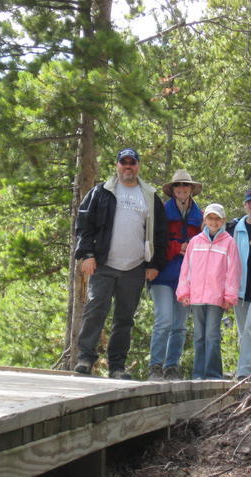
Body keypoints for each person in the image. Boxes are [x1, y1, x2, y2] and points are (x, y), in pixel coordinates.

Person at [73, 148, 168, 380]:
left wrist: (154, 263)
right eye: (123, 162)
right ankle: (85, 358)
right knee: (95, 309)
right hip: (104, 263)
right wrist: (86, 255)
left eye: (132, 162)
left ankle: (117, 367)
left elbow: (160, 233)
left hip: (135, 267)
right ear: (117, 165)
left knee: (124, 318)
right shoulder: (101, 192)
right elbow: (84, 223)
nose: (128, 166)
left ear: (138, 166)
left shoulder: (149, 195)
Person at [148, 170, 203, 381]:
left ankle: (171, 367)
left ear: (191, 189)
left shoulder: (200, 216)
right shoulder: (161, 212)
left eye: (186, 186)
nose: (182, 189)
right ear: (172, 190)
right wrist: (176, 248)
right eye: (178, 185)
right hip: (162, 275)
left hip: (187, 278)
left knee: (179, 325)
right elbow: (154, 242)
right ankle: (155, 366)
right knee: (164, 320)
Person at [177, 204, 241, 380]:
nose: (214, 222)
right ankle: (198, 374)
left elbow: (233, 271)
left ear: (223, 221)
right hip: (196, 297)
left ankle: (212, 374)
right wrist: (184, 292)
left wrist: (229, 296)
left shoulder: (229, 243)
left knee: (212, 336)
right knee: (199, 336)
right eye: (210, 218)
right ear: (204, 220)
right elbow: (186, 269)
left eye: (217, 218)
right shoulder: (195, 242)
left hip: (216, 298)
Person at [228, 187, 251, 381]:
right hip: (240, 288)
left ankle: (243, 373)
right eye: (250, 202)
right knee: (244, 333)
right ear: (244, 205)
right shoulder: (235, 228)